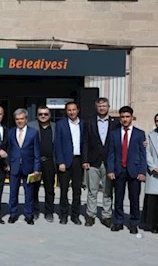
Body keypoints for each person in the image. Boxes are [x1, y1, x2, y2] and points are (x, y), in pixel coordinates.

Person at [107, 106, 147, 234]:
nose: (125, 119)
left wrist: (142, 171)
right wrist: (110, 170)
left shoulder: (139, 134)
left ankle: (134, 222)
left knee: (134, 199)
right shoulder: (114, 133)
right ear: (119, 118)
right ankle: (118, 221)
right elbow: (111, 153)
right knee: (118, 198)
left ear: (132, 117)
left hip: (134, 170)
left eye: (127, 117)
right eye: (123, 117)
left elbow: (143, 154)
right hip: (119, 170)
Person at [82, 97, 119, 228]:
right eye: (99, 106)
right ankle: (90, 215)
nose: (102, 108)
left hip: (109, 162)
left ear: (108, 107)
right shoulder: (89, 122)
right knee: (92, 190)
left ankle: (106, 216)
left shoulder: (116, 123)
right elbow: (85, 141)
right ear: (96, 107)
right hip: (93, 161)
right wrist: (85, 159)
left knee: (108, 191)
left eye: (104, 106)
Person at [7, 109, 40, 224]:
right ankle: (13, 214)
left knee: (29, 193)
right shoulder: (10, 132)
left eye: (21, 119)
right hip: (14, 166)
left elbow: (36, 152)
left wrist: (36, 168)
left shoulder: (33, 133)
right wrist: (7, 163)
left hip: (29, 167)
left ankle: (29, 215)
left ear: (26, 119)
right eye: (17, 119)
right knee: (13, 192)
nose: (19, 121)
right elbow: (8, 149)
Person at [54, 101, 85, 225]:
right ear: (66, 112)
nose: (72, 112)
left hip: (79, 161)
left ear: (78, 110)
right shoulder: (60, 124)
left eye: (74, 109)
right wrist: (60, 161)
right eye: (69, 110)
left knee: (77, 190)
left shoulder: (83, 124)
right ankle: (63, 214)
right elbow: (57, 144)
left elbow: (86, 143)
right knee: (64, 190)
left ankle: (75, 215)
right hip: (65, 161)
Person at [29, 106, 56, 222]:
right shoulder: (31, 126)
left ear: (49, 115)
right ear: (37, 115)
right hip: (35, 162)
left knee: (49, 189)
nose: (43, 116)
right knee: (34, 188)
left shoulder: (55, 127)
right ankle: (34, 211)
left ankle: (49, 212)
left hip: (49, 162)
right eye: (40, 114)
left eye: (45, 114)